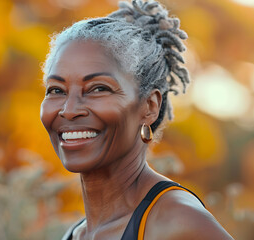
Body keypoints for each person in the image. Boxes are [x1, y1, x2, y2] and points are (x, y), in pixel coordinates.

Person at [40, 0, 234, 239]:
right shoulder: (76, 234)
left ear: (149, 106)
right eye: (56, 90)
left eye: (98, 88)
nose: (69, 110)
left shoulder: (177, 224)